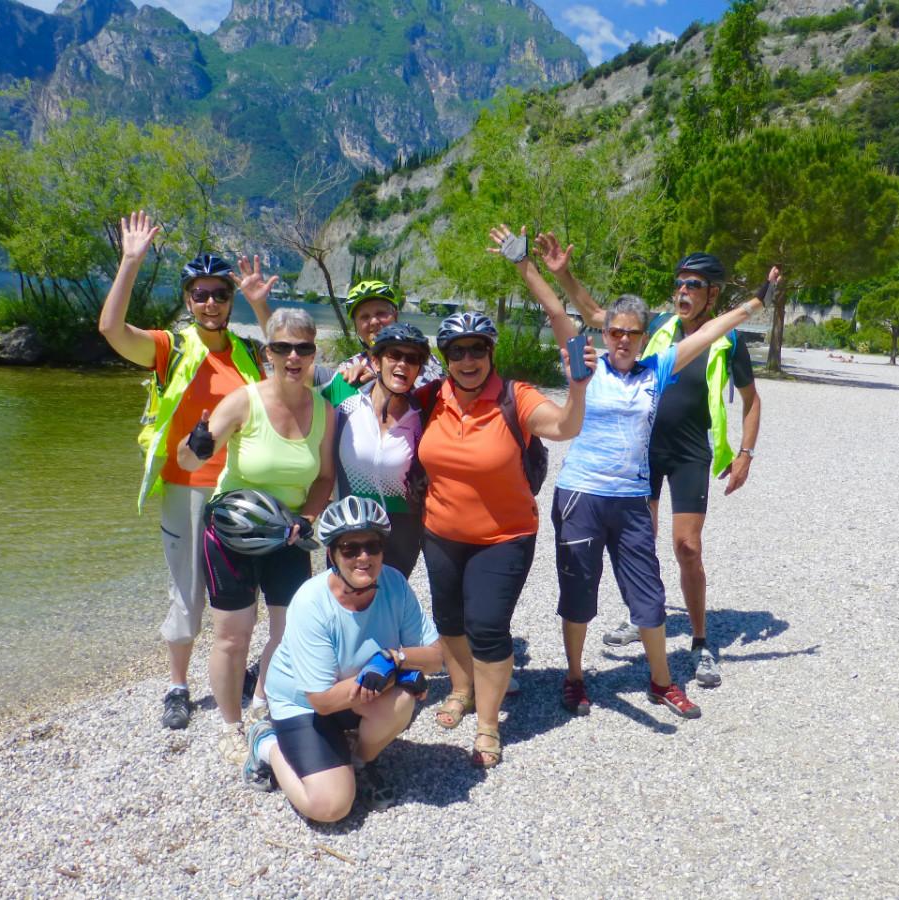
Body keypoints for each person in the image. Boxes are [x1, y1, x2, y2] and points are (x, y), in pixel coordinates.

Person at [490, 225, 771, 719]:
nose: (621, 339)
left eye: (631, 333)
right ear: (604, 334)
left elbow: (710, 333)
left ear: (644, 338)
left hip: (631, 500)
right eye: (614, 331)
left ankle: (662, 681)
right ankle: (575, 677)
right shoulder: (586, 363)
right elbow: (557, 311)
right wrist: (523, 264)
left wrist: (755, 303)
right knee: (578, 591)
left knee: (648, 594)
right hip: (580, 495)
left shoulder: (656, 370)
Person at [98, 210, 271, 731]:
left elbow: (292, 361)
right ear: (188, 300)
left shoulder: (248, 353)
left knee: (240, 589)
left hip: (239, 486)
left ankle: (234, 670)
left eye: (220, 294)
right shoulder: (169, 347)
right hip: (186, 487)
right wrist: (130, 262)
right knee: (187, 591)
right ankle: (177, 685)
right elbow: (110, 329)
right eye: (200, 295)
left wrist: (262, 305)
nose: (211, 302)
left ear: (231, 299)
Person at [418, 309, 595, 767]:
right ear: (446, 358)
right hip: (439, 532)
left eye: (477, 349)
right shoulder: (431, 397)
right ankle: (462, 689)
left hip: (504, 536)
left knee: (487, 626)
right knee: (449, 619)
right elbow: (378, 400)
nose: (468, 360)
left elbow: (565, 427)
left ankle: (488, 723)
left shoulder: (516, 396)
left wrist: (577, 387)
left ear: (491, 353)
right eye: (458, 351)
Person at [176, 307, 335, 764]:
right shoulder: (243, 401)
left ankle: (262, 700)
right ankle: (231, 725)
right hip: (233, 532)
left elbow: (325, 477)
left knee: (287, 630)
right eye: (282, 347)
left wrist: (308, 516)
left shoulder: (324, 412)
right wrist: (195, 443)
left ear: (313, 354)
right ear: (268, 353)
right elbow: (188, 460)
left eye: (303, 348)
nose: (293, 357)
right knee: (233, 636)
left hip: (288, 533)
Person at [244, 497, 443, 822]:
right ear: (332, 554)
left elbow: (436, 658)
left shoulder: (394, 583)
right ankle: (266, 743)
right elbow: (322, 701)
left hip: (350, 694)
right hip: (303, 703)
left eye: (373, 546)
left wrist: (395, 658)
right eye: (350, 549)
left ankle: (360, 762)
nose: (364, 557)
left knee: (402, 701)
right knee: (330, 807)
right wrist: (393, 674)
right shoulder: (311, 602)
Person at [322, 323, 431, 577]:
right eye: (394, 355)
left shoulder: (423, 416)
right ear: (375, 361)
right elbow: (295, 377)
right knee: (344, 597)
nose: (403, 364)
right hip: (349, 524)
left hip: (402, 532)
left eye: (412, 359)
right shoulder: (344, 403)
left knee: (389, 597)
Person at [335, 280, 444, 389]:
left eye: (381, 313)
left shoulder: (426, 363)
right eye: (364, 317)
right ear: (356, 327)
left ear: (395, 316)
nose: (374, 321)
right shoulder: (347, 369)